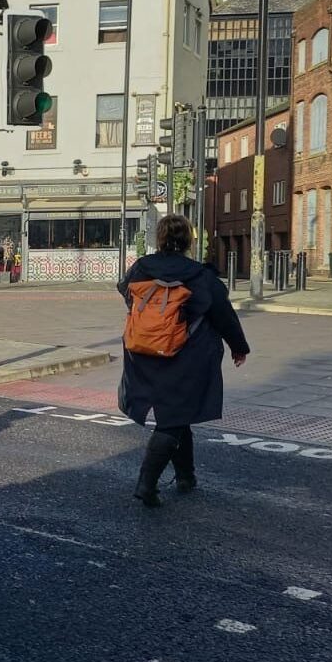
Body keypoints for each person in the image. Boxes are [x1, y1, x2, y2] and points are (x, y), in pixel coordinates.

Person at [118, 214, 251, 507]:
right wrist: (238, 347)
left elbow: (126, 292)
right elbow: (223, 315)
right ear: (190, 240)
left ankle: (185, 475)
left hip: (144, 352)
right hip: (186, 356)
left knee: (176, 414)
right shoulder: (201, 275)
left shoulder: (141, 268)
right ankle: (146, 484)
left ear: (160, 238)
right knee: (175, 416)